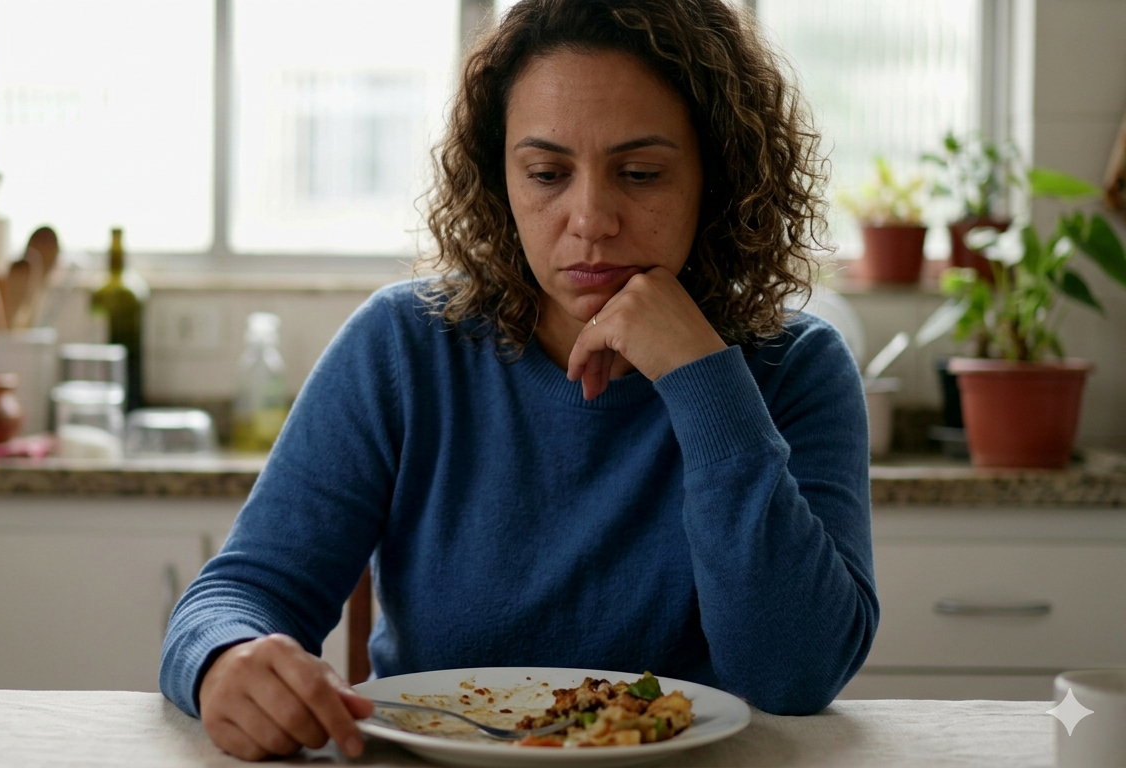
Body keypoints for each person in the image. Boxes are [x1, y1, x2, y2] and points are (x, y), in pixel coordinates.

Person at [160, 0, 878, 760]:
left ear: (718, 176)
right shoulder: (405, 346)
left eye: (640, 173)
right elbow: (237, 594)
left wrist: (705, 380)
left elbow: (796, 674)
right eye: (546, 173)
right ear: (498, 179)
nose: (591, 217)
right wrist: (224, 661)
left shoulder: (795, 368)